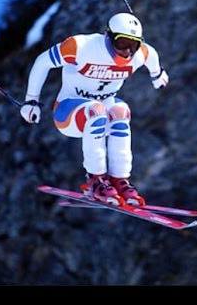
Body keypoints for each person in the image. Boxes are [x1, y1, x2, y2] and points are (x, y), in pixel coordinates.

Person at [20, 12, 169, 207]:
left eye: (133, 45)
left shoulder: (142, 54)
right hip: (69, 113)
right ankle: (96, 180)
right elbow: (43, 61)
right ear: (109, 36)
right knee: (96, 109)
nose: (127, 51)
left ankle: (119, 180)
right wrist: (31, 101)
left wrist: (158, 75)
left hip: (101, 115)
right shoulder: (81, 46)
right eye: (122, 43)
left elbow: (152, 58)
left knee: (121, 110)